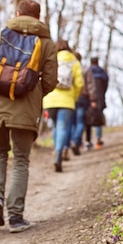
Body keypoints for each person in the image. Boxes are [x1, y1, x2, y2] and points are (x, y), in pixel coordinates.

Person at [0, 0, 57, 232]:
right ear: (38, 17)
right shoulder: (46, 43)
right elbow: (50, 81)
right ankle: (15, 217)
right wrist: (32, 90)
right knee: (21, 159)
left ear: (18, 13)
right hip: (25, 109)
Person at [42, 39, 83, 172]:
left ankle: (56, 151)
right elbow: (80, 83)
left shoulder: (50, 59)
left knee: (55, 127)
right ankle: (59, 153)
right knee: (63, 127)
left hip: (49, 99)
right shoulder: (74, 61)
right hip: (67, 101)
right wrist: (74, 96)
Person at [84, 57, 109, 149]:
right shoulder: (103, 73)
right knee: (98, 118)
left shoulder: (87, 71)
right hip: (99, 97)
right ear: (98, 62)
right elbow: (106, 85)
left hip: (88, 98)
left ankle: (88, 141)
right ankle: (98, 140)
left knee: (88, 119)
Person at [69, 51, 88, 155]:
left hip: (70, 97)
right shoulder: (84, 68)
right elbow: (86, 85)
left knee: (72, 122)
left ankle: (74, 142)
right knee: (80, 122)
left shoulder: (68, 65)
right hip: (82, 98)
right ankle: (76, 141)